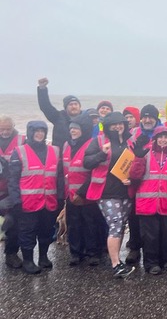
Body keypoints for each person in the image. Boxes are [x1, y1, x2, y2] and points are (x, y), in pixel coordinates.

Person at [83, 112, 135, 278]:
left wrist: (131, 179)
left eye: (121, 124)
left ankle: (117, 259)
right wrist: (102, 153)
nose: (118, 127)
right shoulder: (98, 141)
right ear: (107, 126)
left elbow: (135, 164)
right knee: (115, 223)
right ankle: (115, 265)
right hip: (106, 192)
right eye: (114, 124)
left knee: (121, 225)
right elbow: (87, 163)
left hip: (125, 191)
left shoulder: (130, 142)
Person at [129, 126, 167, 274]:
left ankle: (166, 259)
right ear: (155, 139)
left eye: (166, 137)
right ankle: (151, 263)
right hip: (147, 202)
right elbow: (135, 175)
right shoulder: (146, 154)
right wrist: (138, 158)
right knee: (150, 236)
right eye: (160, 137)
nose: (163, 140)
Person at [8, 121, 61, 274]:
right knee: (27, 232)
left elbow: (59, 177)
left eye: (42, 131)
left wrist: (60, 197)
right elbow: (13, 179)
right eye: (36, 131)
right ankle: (28, 260)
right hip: (27, 203)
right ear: (30, 133)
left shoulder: (55, 151)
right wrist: (16, 201)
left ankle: (43, 257)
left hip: (49, 202)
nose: (39, 134)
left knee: (46, 231)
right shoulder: (19, 151)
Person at [62, 113, 103, 266]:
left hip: (87, 194)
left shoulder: (92, 145)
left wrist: (82, 193)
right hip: (70, 195)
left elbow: (95, 172)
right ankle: (75, 253)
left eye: (76, 128)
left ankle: (93, 253)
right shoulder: (67, 145)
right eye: (71, 128)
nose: (72, 131)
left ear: (84, 129)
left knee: (91, 224)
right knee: (73, 224)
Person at [125, 104, 163, 264]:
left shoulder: (162, 134)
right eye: (145, 117)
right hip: (135, 182)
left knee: (157, 219)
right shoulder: (133, 133)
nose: (147, 120)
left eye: (151, 117)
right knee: (134, 217)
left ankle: (159, 248)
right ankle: (134, 248)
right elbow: (125, 155)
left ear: (156, 119)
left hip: (156, 182)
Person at [0, 115, 24, 268]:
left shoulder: (22, 140)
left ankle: (11, 254)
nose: (5, 132)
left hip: (12, 191)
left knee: (14, 223)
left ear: (13, 127)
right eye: (2, 129)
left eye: (8, 128)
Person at [36, 77, 82, 149]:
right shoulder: (58, 117)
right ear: (66, 107)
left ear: (79, 106)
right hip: (59, 155)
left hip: (78, 154)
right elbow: (45, 106)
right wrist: (42, 88)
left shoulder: (85, 118)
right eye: (71, 104)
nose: (74, 106)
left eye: (76, 104)